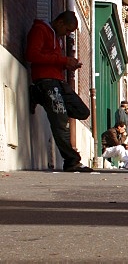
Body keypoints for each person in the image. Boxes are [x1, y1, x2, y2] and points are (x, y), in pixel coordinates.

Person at [25, 11, 93, 172]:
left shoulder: (56, 37)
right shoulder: (40, 30)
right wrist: (63, 60)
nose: (67, 34)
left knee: (82, 111)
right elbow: (31, 55)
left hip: (59, 82)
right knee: (61, 121)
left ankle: (38, 96)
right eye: (68, 30)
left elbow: (50, 59)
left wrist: (67, 65)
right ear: (60, 22)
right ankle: (72, 161)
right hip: (46, 81)